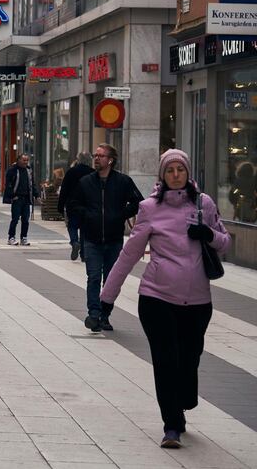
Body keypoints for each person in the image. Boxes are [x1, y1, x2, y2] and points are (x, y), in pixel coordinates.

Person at [100, 149, 230, 449]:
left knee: (189, 358)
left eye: (180, 170)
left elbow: (224, 244)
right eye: (169, 170)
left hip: (197, 301)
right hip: (156, 297)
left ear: (187, 173)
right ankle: (171, 425)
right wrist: (107, 298)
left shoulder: (203, 204)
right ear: (162, 175)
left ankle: (183, 402)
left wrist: (207, 233)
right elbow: (129, 254)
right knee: (165, 360)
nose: (175, 175)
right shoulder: (149, 208)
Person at [70, 143, 143, 332]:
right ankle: (93, 314)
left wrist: (120, 214)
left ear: (110, 160)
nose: (96, 158)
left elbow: (139, 202)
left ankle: (105, 315)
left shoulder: (123, 182)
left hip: (113, 239)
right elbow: (74, 204)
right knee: (93, 277)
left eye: (101, 156)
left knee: (110, 280)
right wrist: (87, 216)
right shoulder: (86, 182)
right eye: (96, 155)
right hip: (92, 238)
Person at [57, 151, 94, 261]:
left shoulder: (71, 172)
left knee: (72, 226)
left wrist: (60, 205)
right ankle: (83, 253)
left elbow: (64, 190)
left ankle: (74, 242)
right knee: (84, 229)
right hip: (87, 205)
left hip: (73, 204)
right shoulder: (92, 173)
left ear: (78, 159)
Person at [3, 154, 40, 246]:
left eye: (27, 160)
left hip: (26, 199)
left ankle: (24, 237)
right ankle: (11, 237)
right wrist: (12, 196)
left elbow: (32, 184)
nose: (25, 162)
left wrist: (36, 195)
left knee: (26, 220)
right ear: (18, 160)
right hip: (17, 198)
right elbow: (8, 184)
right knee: (15, 219)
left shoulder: (28, 170)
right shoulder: (12, 170)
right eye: (24, 160)